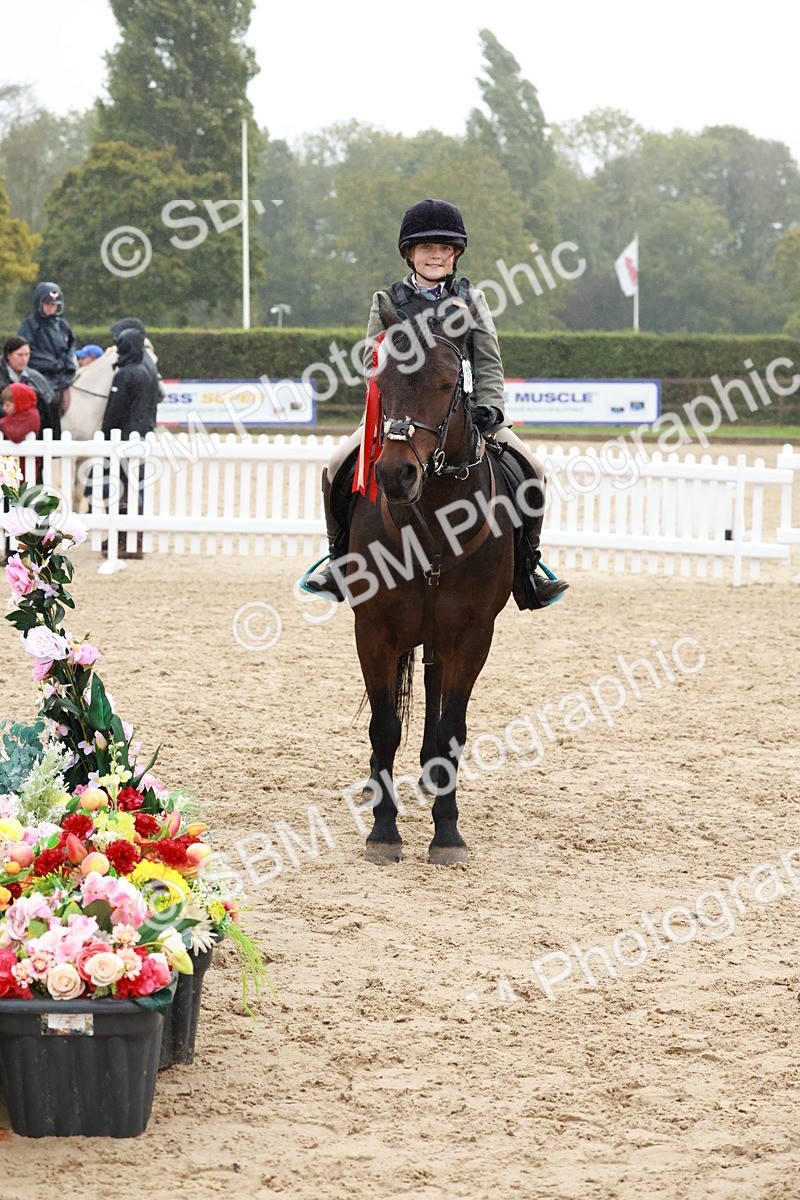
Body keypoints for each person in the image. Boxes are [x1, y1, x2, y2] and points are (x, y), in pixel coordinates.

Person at [304, 198, 569, 610]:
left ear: (455, 254)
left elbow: (488, 361)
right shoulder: (386, 301)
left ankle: (526, 569)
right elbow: (374, 364)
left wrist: (491, 408)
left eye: (444, 248)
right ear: (409, 252)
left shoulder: (473, 299)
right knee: (336, 463)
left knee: (532, 470)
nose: (435, 255)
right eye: (426, 247)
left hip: (464, 413)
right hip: (396, 414)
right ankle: (339, 560)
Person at [101, 326, 160, 560]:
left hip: (123, 438)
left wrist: (104, 434)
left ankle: (128, 540)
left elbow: (114, 410)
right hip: (141, 434)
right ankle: (133, 538)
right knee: (134, 488)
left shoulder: (125, 374)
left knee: (120, 489)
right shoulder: (147, 371)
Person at [18, 282, 78, 416]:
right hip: (39, 374)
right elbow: (28, 352)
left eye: (54, 305)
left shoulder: (62, 325)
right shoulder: (30, 325)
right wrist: (52, 364)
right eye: (48, 304)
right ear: (40, 304)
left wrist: (69, 364)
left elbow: (71, 346)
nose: (51, 308)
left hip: (62, 374)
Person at [0, 336, 61, 438]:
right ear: (8, 355)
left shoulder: (36, 378)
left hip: (35, 441)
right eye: (19, 355)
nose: (24, 359)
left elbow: (51, 409)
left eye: (27, 355)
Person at [0, 382, 41, 484]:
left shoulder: (31, 416)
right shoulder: (15, 415)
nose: (4, 408)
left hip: (24, 467)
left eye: (8, 405)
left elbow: (16, 435)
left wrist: (2, 424)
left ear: (19, 403)